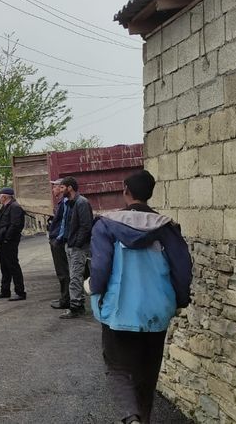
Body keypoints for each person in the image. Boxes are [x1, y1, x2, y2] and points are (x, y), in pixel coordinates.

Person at [89, 170, 192, 423]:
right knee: (147, 372)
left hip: (119, 309)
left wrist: (97, 294)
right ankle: (142, 419)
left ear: (126, 191)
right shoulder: (167, 227)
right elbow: (183, 269)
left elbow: (100, 268)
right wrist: (178, 301)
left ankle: (130, 418)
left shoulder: (106, 225)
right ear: (150, 193)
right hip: (157, 311)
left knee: (118, 368)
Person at [59, 176, 93, 319]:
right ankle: (77, 305)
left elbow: (86, 226)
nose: (60, 190)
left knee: (75, 276)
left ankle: (76, 306)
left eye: (62, 187)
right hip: (71, 245)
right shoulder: (70, 203)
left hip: (77, 247)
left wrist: (77, 243)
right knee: (74, 276)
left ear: (69, 187)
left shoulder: (81, 203)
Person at [0, 187, 26, 301]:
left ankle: (20, 292)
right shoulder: (6, 207)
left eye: (0, 196)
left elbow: (16, 225)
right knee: (4, 267)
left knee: (13, 266)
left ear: (4, 197)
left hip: (9, 242)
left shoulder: (15, 207)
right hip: (3, 242)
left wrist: (7, 238)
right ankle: (5, 290)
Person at [48, 179, 71, 309]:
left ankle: (65, 300)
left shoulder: (65, 203)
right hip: (57, 239)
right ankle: (65, 297)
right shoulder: (61, 202)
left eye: (55, 187)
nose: (53, 190)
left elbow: (63, 223)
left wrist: (57, 239)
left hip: (59, 241)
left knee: (63, 272)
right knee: (62, 272)